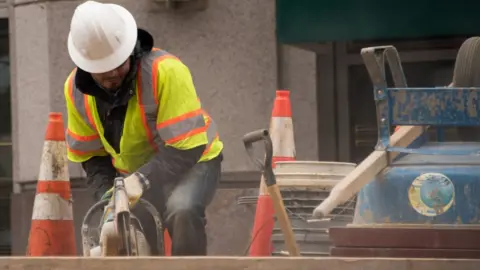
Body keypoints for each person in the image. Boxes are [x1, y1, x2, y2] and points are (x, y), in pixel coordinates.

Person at [64, 1, 224, 256]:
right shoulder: (75, 91)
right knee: (132, 228)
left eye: (118, 63)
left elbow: (187, 148)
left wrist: (140, 180)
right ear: (87, 66)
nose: (113, 73)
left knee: (181, 209)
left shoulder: (166, 71)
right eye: (103, 69)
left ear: (130, 50)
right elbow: (93, 159)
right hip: (132, 177)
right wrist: (109, 200)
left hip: (194, 159)